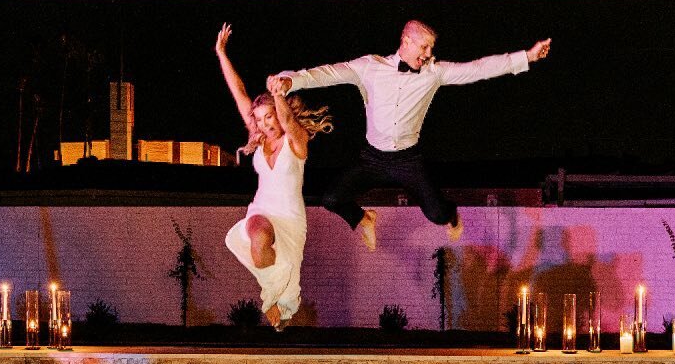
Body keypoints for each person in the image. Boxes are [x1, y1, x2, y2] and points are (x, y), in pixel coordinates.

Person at [268, 20, 551, 250]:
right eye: (424, 47)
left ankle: (451, 215)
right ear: (406, 42)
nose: (428, 54)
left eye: (431, 48)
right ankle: (364, 218)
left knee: (437, 215)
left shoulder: (434, 73)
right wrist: (291, 79)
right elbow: (328, 73)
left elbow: (477, 69)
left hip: (408, 160)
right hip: (372, 158)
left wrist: (525, 56)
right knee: (331, 199)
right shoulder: (370, 67)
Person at [215, 23, 333, 330]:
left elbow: (286, 120)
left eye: (269, 117)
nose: (266, 125)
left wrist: (278, 96)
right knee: (257, 236)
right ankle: (270, 296)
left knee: (289, 292)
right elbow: (239, 92)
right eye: (260, 120)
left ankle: (283, 302)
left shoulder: (297, 140)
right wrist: (221, 53)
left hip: (291, 218)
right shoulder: (259, 137)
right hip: (263, 211)